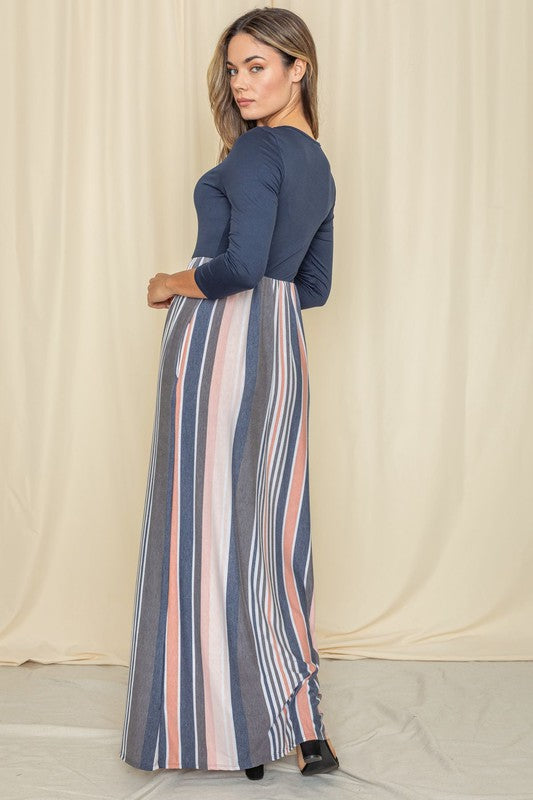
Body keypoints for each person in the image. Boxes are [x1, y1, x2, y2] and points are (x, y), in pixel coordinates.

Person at [119, 6, 338, 782]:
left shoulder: (253, 156)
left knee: (204, 531)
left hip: (219, 343)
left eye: (258, 66)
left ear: (297, 67)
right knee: (270, 534)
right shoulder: (317, 162)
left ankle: (231, 729)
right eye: (234, 68)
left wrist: (167, 284)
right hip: (280, 348)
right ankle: (300, 720)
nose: (241, 82)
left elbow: (236, 269)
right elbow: (310, 287)